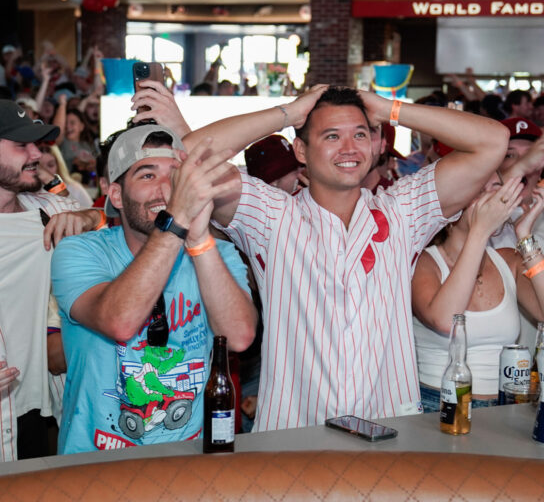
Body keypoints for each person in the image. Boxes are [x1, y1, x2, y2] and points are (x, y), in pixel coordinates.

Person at [174, 85, 509, 431]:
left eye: (360, 135)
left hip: (388, 433)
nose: (349, 149)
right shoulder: (273, 218)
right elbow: (188, 154)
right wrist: (289, 112)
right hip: (292, 439)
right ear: (301, 150)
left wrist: (390, 108)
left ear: (377, 144)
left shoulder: (401, 213)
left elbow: (493, 141)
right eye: (332, 136)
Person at [50, 123, 256, 454]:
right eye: (147, 176)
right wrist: (175, 220)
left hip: (186, 461)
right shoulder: (79, 251)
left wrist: (200, 240)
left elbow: (239, 337)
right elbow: (120, 322)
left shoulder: (216, 253)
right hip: (92, 464)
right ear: (115, 194)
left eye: (174, 176)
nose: (164, 189)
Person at [0, 99, 103, 468]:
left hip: (43, 412)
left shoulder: (53, 210)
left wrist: (90, 215)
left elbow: (118, 222)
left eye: (37, 143)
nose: (36, 154)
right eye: (22, 145)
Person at [412, 177, 544, 411]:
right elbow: (444, 321)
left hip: (505, 406)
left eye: (495, 188)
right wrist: (479, 231)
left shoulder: (507, 260)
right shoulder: (423, 261)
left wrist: (524, 236)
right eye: (478, 189)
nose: (491, 199)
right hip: (440, 405)